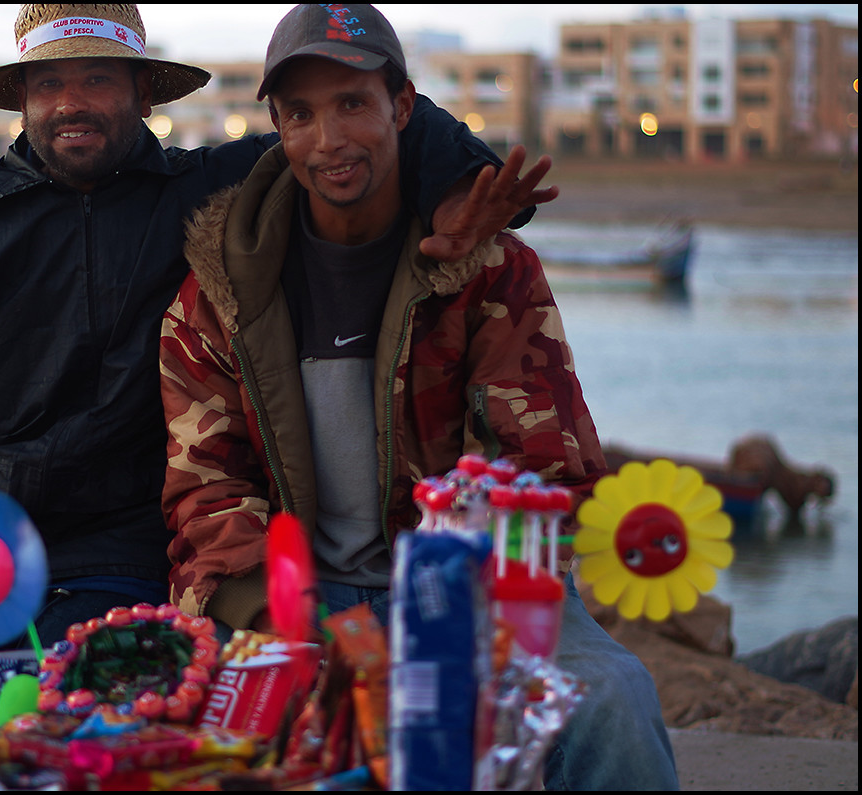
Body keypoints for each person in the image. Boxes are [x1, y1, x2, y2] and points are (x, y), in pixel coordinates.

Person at [0, 4, 554, 673]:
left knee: (81, 716)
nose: (71, 104)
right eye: (47, 84)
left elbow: (357, 125)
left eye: (97, 80)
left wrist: (462, 186)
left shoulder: (210, 195)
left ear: (145, 92)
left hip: (115, 562)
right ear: (22, 101)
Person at [160, 4, 679, 790]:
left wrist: (442, 607)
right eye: (301, 114)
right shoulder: (217, 294)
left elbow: (548, 467)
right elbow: (207, 491)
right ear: (276, 126)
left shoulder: (491, 271)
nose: (329, 139)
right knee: (227, 729)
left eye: (352, 104)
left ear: (401, 107)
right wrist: (285, 615)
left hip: (475, 585)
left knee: (612, 696)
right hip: (292, 595)